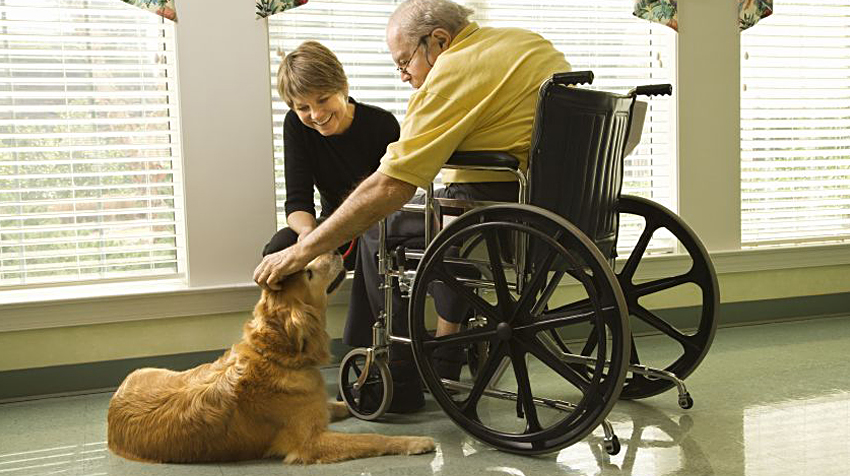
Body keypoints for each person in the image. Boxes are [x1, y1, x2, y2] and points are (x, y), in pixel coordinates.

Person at [255, 0, 571, 412]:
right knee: (400, 224)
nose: (404, 75)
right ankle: (433, 353)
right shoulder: (529, 44)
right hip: (554, 209)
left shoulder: (451, 74)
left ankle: (400, 369)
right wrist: (307, 237)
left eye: (405, 62)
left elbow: (389, 188)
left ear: (437, 42)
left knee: (377, 229)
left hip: (494, 209)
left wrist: (306, 249)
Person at [261, 41, 400, 270]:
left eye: (323, 99)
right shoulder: (296, 125)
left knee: (374, 246)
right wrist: (308, 235)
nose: (316, 114)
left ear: (343, 87)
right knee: (278, 248)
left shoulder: (382, 125)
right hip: (329, 229)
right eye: (303, 108)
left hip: (377, 229)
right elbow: (297, 201)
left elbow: (388, 198)